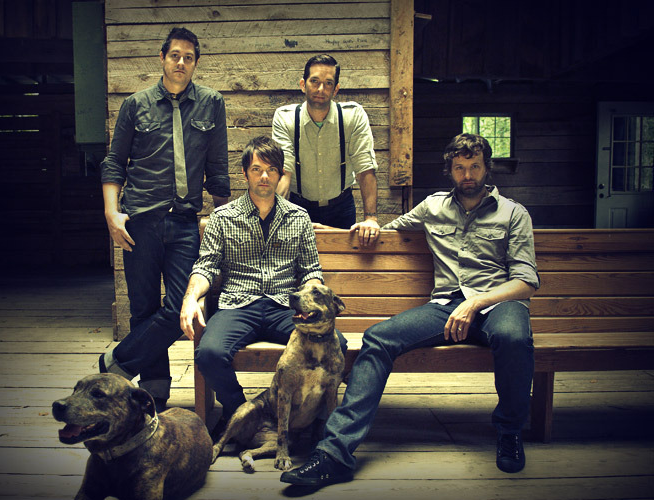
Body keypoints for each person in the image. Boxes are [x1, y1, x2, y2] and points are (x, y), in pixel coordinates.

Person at [281, 133, 540, 487]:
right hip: (445, 307)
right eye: (460, 167)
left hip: (498, 304)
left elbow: (526, 281)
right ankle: (334, 454)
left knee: (514, 337)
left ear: (486, 168)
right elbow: (385, 232)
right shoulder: (433, 206)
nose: (467, 175)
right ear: (449, 170)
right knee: (378, 338)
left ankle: (509, 432)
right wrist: (353, 228)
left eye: (475, 166)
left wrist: (476, 302)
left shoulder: (513, 213)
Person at [99, 27, 230, 413]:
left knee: (179, 308)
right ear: (162, 58)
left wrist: (221, 216)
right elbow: (114, 162)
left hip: (185, 222)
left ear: (196, 62)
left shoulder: (211, 103)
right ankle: (154, 395)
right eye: (175, 55)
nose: (181, 63)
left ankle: (116, 364)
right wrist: (111, 213)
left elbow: (218, 167)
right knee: (142, 309)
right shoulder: (135, 105)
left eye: (188, 57)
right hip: (139, 221)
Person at [180, 136, 348, 435]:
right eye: (257, 169)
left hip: (285, 307)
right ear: (245, 174)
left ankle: (313, 419)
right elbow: (206, 266)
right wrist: (190, 298)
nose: (264, 176)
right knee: (209, 354)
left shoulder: (298, 217)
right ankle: (242, 414)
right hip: (238, 306)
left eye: (271, 170)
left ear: (281, 174)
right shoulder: (223, 217)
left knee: (339, 344)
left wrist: (313, 298)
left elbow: (310, 270)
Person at [272, 53, 380, 245]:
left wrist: (371, 218)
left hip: (341, 206)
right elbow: (285, 174)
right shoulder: (285, 118)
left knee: (344, 261)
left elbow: (365, 169)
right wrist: (272, 218)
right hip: (298, 205)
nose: (320, 89)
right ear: (303, 84)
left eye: (328, 83)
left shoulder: (352, 116)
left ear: (336, 89)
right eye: (314, 81)